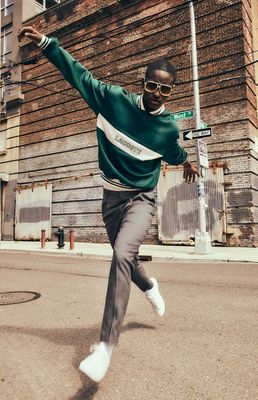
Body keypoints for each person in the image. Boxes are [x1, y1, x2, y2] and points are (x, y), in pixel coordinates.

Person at [18, 26, 199, 383]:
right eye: (152, 85)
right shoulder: (111, 99)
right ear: (142, 82)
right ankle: (149, 286)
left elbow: (175, 153)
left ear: (170, 92)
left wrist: (187, 163)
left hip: (142, 199)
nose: (156, 94)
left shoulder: (166, 129)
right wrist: (45, 44)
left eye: (165, 89)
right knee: (125, 258)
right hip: (111, 197)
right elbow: (77, 74)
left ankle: (105, 346)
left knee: (121, 254)